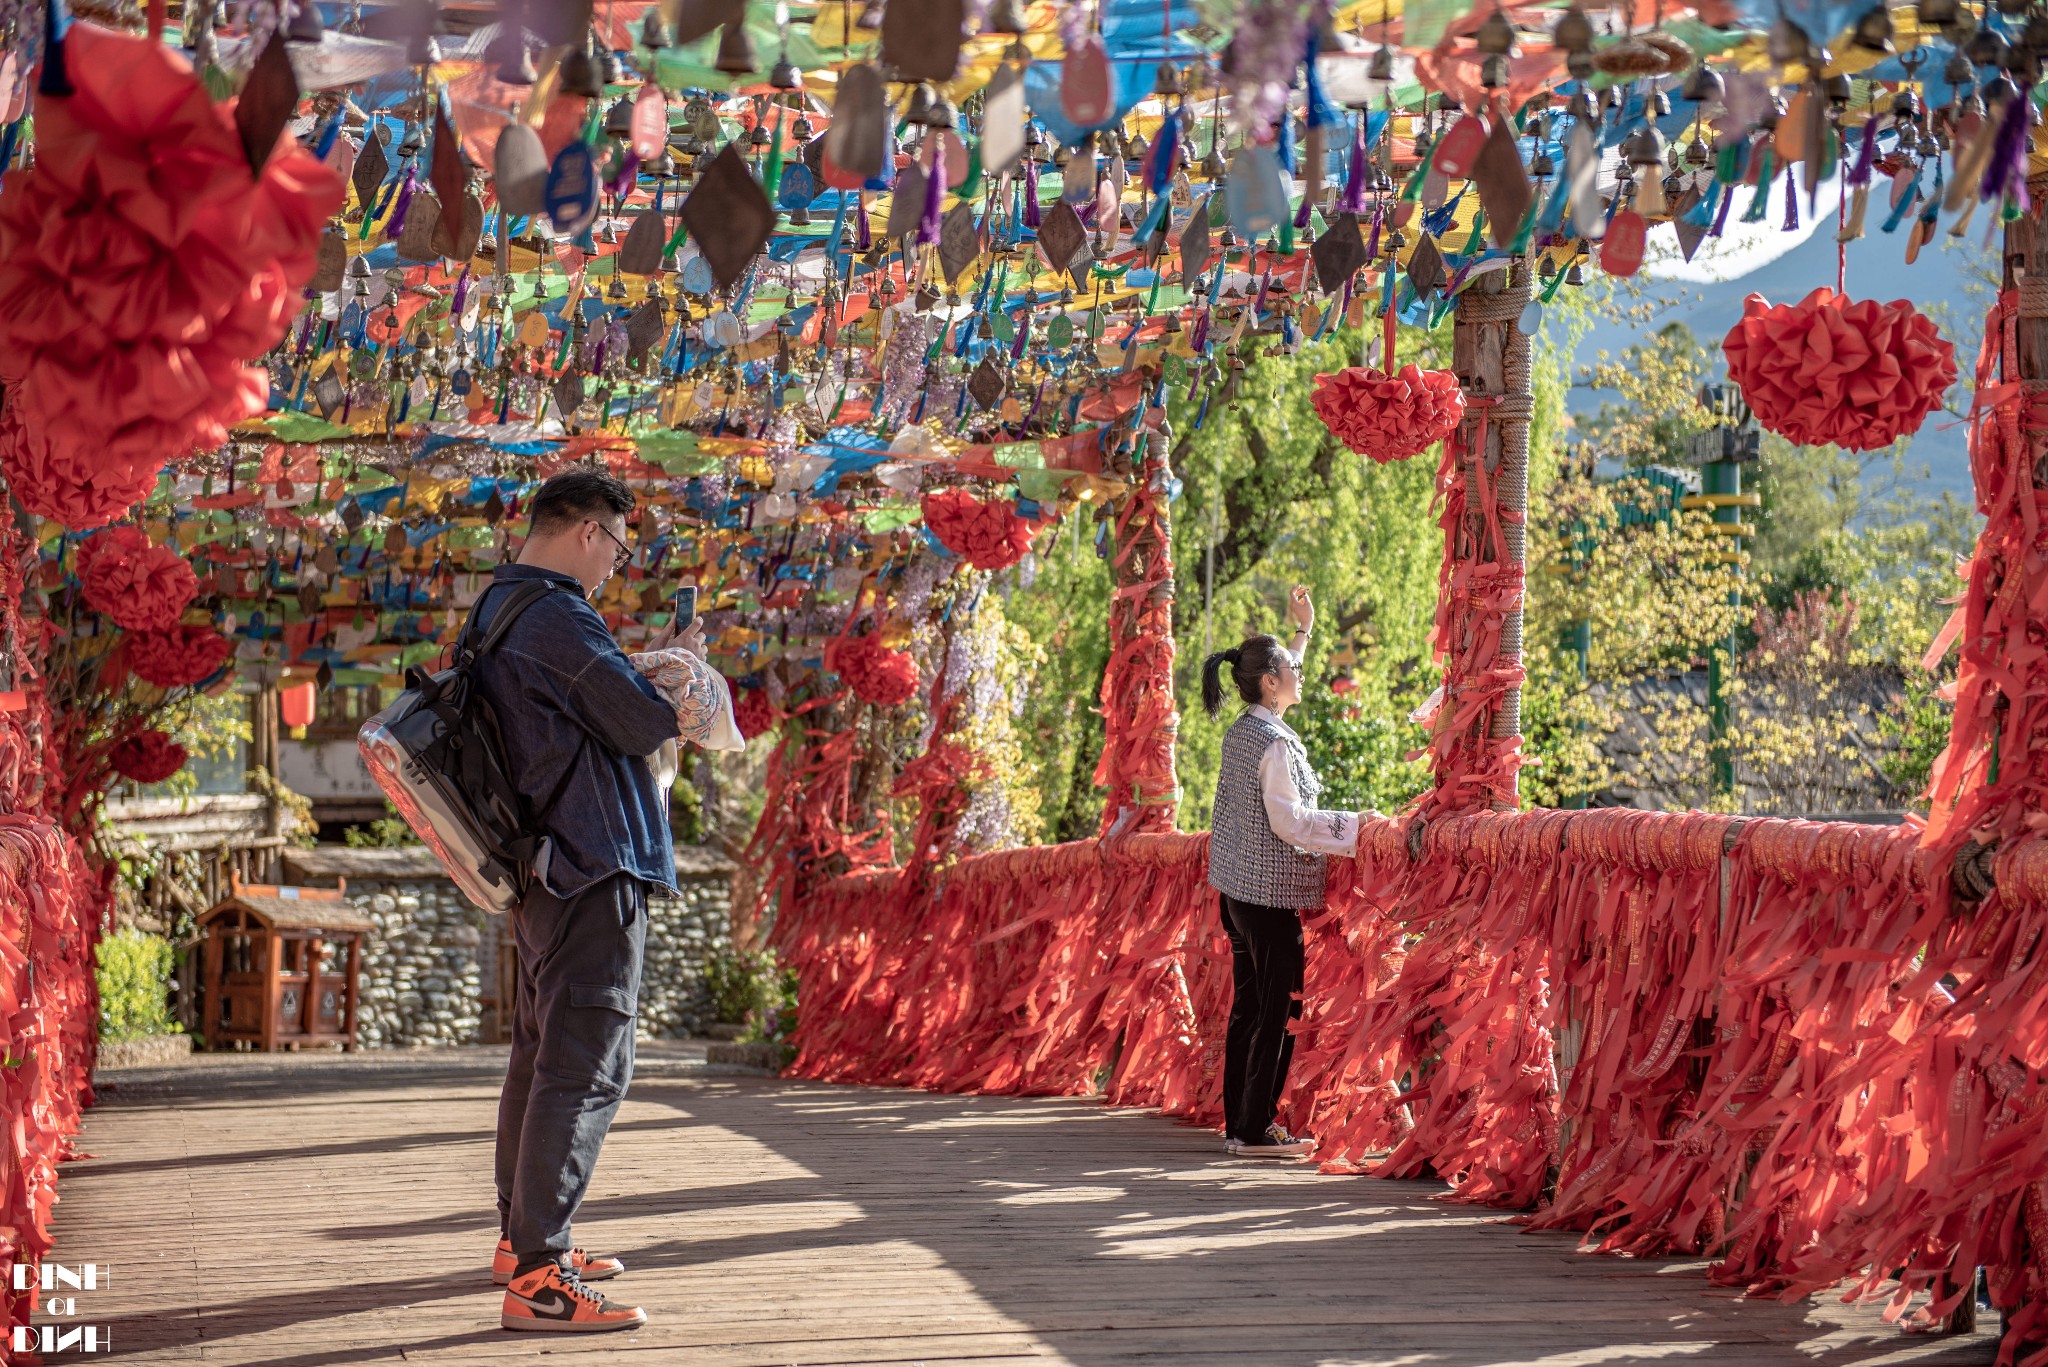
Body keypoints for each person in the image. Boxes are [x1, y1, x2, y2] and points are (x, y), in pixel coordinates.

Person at [474, 467, 705, 1333]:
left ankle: (524, 1239)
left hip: (544, 868)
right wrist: (681, 680)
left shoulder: (497, 609)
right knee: (585, 1062)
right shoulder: (559, 616)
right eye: (618, 544)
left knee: (541, 1057)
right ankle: (538, 1278)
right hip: (591, 860)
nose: (616, 564)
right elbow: (644, 723)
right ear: (587, 531)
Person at [1200, 586, 1371, 1160]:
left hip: (1236, 893)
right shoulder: (1274, 744)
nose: (1301, 674)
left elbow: (1281, 667)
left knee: (1249, 1006)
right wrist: (1355, 828)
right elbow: (1291, 824)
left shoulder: (1246, 729)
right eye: (1291, 669)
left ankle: (1241, 1122)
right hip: (1268, 900)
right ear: (1270, 682)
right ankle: (1255, 1127)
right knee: (1278, 1008)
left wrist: (1305, 628)